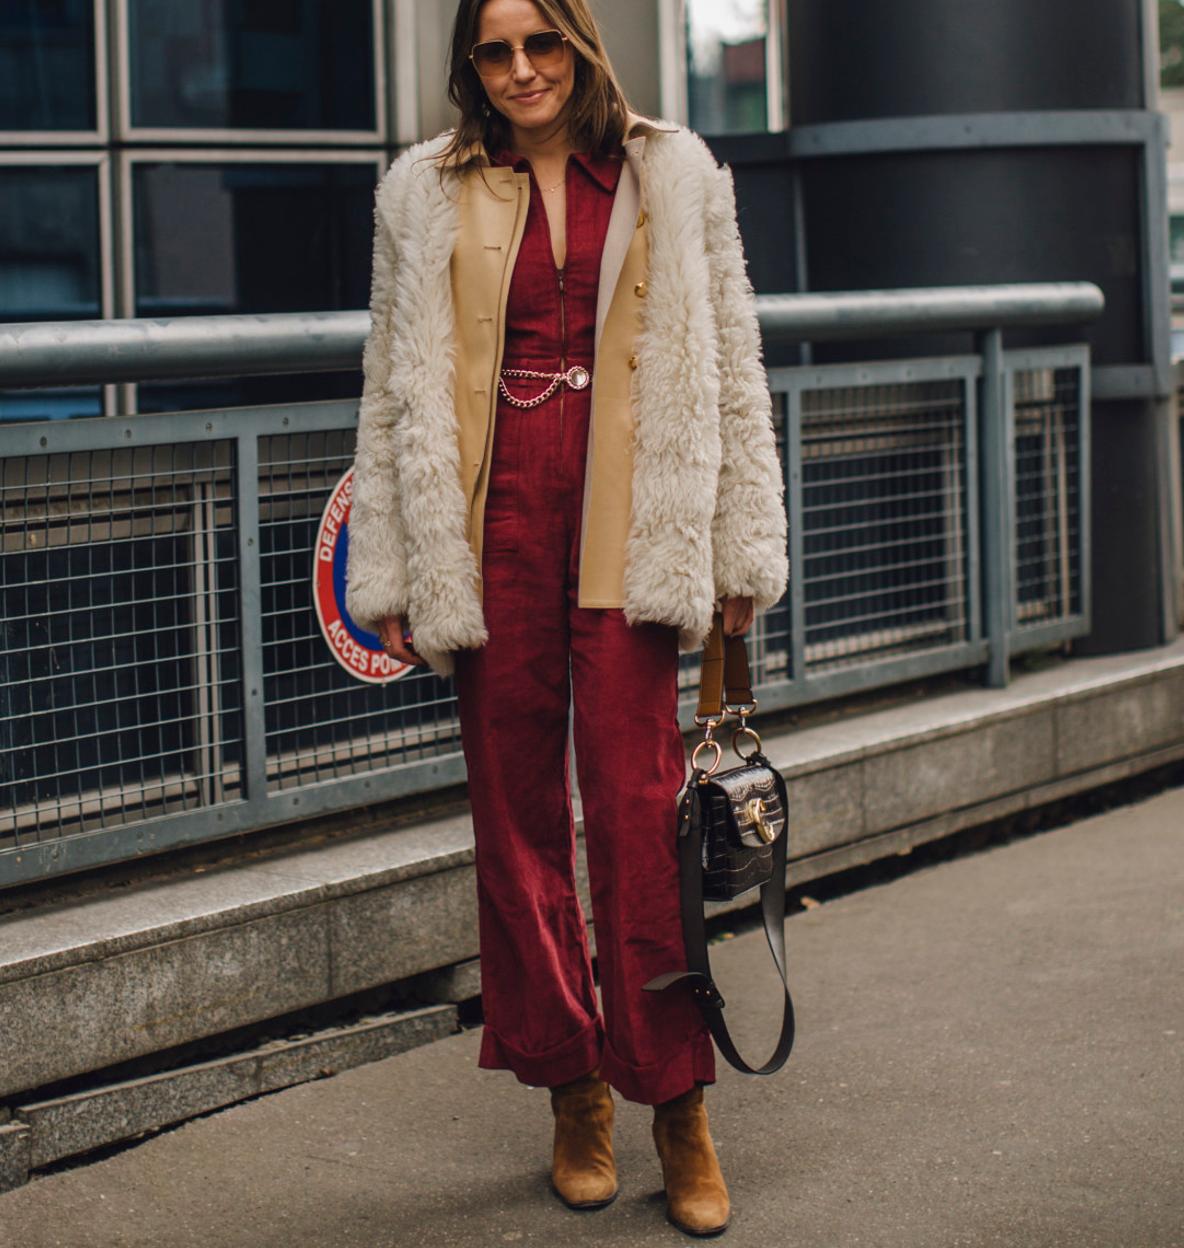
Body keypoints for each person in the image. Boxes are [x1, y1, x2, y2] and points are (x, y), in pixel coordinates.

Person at [344, 0, 787, 1235]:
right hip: (491, 532)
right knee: (515, 818)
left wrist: (742, 538)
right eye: (496, 49)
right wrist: (387, 567)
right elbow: (392, 385)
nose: (522, 70)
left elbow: (730, 354)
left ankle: (678, 1100)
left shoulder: (673, 167)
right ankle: (570, 1085)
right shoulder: (420, 190)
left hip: (628, 520)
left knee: (642, 820)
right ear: (470, 66)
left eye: (542, 43)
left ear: (582, 46)